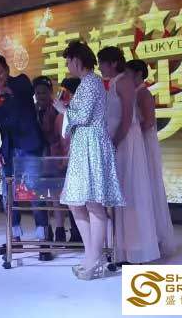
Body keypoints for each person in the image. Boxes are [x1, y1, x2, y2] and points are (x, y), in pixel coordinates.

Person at [52, 41, 124, 280]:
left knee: (93, 203)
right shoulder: (87, 83)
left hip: (91, 146)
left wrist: (63, 109)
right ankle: (92, 254)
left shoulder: (92, 82)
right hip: (83, 147)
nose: (67, 66)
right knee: (76, 202)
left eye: (68, 61)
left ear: (77, 60)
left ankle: (94, 258)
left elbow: (82, 116)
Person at [0, 55, 51, 260]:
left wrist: (7, 90)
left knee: (35, 194)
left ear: (7, 69)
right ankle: (15, 239)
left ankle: (43, 241)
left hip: (30, 147)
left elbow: (25, 93)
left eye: (0, 72)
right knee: (8, 197)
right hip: (8, 151)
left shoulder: (20, 82)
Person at [98, 47, 160, 265]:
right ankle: (122, 248)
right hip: (118, 139)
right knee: (121, 192)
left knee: (130, 191)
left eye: (102, 63)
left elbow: (127, 117)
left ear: (113, 63)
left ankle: (135, 249)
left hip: (126, 140)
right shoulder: (115, 82)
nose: (100, 67)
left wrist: (115, 141)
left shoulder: (124, 82)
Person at [126, 59, 176, 257]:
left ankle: (154, 238)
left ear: (139, 74)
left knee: (148, 187)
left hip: (144, 143)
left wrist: (129, 128)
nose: (126, 77)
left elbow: (148, 122)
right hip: (138, 142)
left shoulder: (144, 93)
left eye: (129, 73)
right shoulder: (133, 93)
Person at [32, 75, 64, 242]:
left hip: (55, 155)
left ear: (50, 92)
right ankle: (46, 230)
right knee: (42, 196)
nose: (41, 96)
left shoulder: (57, 109)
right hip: (38, 157)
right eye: (38, 93)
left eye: (44, 92)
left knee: (57, 196)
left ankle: (60, 230)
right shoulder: (32, 111)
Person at [51, 78, 82, 243]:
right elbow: (57, 140)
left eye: (65, 92)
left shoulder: (80, 115)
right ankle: (72, 232)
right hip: (64, 164)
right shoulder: (59, 117)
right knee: (69, 201)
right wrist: (59, 160)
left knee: (81, 202)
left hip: (78, 164)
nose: (61, 95)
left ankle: (81, 235)